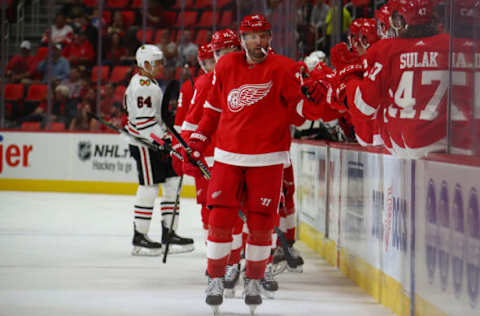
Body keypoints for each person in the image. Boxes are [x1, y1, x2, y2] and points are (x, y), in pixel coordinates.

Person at [182, 14, 318, 314]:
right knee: (219, 221)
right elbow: (213, 110)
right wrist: (198, 140)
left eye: (264, 35)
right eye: (253, 36)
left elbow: (299, 116)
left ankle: (254, 279)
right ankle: (215, 278)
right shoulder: (226, 66)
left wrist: (314, 96)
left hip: (268, 159)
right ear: (242, 40)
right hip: (228, 157)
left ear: (270, 38)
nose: (260, 41)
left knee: (260, 225)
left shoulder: (284, 68)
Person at [124, 44, 194, 256]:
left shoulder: (149, 82)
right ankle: (140, 237)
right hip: (145, 145)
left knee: (172, 183)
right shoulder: (143, 85)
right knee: (149, 187)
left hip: (156, 143)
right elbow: (144, 124)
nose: (161, 66)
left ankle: (169, 232)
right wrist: (165, 139)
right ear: (144, 64)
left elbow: (154, 117)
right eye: (156, 62)